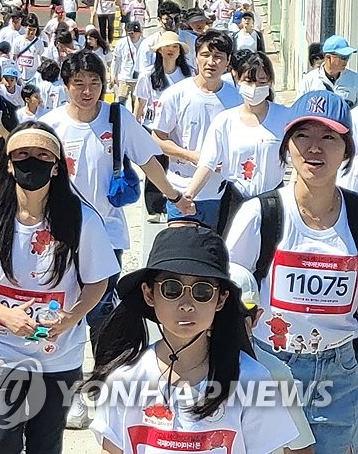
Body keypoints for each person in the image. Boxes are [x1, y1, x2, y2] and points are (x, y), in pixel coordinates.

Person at [0, 123, 118, 453]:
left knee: (46, 444)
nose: (33, 163)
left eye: (42, 155)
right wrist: (4, 315)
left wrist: (71, 318)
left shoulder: (81, 218)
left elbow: (98, 279)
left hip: (57, 358)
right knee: (1, 442)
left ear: (56, 166)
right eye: (23, 156)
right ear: (10, 165)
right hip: (0, 352)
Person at [225, 89, 358, 452]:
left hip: (341, 372)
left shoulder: (356, 216)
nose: (315, 148)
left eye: (328, 137)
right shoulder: (261, 214)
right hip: (270, 367)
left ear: (346, 150)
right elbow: (228, 288)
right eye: (303, 135)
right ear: (286, 147)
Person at [87, 226, 298, 454]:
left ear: (220, 300)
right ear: (149, 294)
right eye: (171, 288)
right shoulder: (124, 379)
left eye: (202, 291)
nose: (187, 303)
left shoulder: (253, 380)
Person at [39, 51, 193, 358]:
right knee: (59, 306)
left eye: (94, 83)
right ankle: (60, 375)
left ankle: (100, 380)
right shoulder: (49, 126)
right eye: (78, 83)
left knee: (102, 312)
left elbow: (148, 159)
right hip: (58, 233)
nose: (86, 91)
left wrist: (173, 195)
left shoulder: (116, 117)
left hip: (107, 234)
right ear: (65, 85)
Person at [183, 52, 289, 229]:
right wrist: (188, 195)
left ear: (270, 82)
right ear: (237, 79)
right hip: (235, 200)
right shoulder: (225, 120)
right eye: (249, 81)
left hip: (273, 201)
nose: (255, 87)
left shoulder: (285, 116)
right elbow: (207, 163)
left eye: (261, 82)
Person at [152, 30, 242, 227]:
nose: (211, 62)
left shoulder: (237, 99)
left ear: (228, 62)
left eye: (218, 57)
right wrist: (191, 156)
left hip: (220, 191)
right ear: (195, 57)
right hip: (181, 189)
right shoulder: (176, 95)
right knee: (182, 251)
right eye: (205, 55)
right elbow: (157, 138)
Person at [227, 264, 317, 454]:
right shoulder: (182, 369)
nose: (225, 325)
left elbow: (299, 448)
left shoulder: (274, 372)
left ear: (257, 317)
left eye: (237, 315)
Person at [299, 34, 358, 107]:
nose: (346, 61)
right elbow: (299, 109)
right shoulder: (309, 80)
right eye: (343, 57)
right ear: (328, 58)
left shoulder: (355, 79)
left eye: (348, 57)